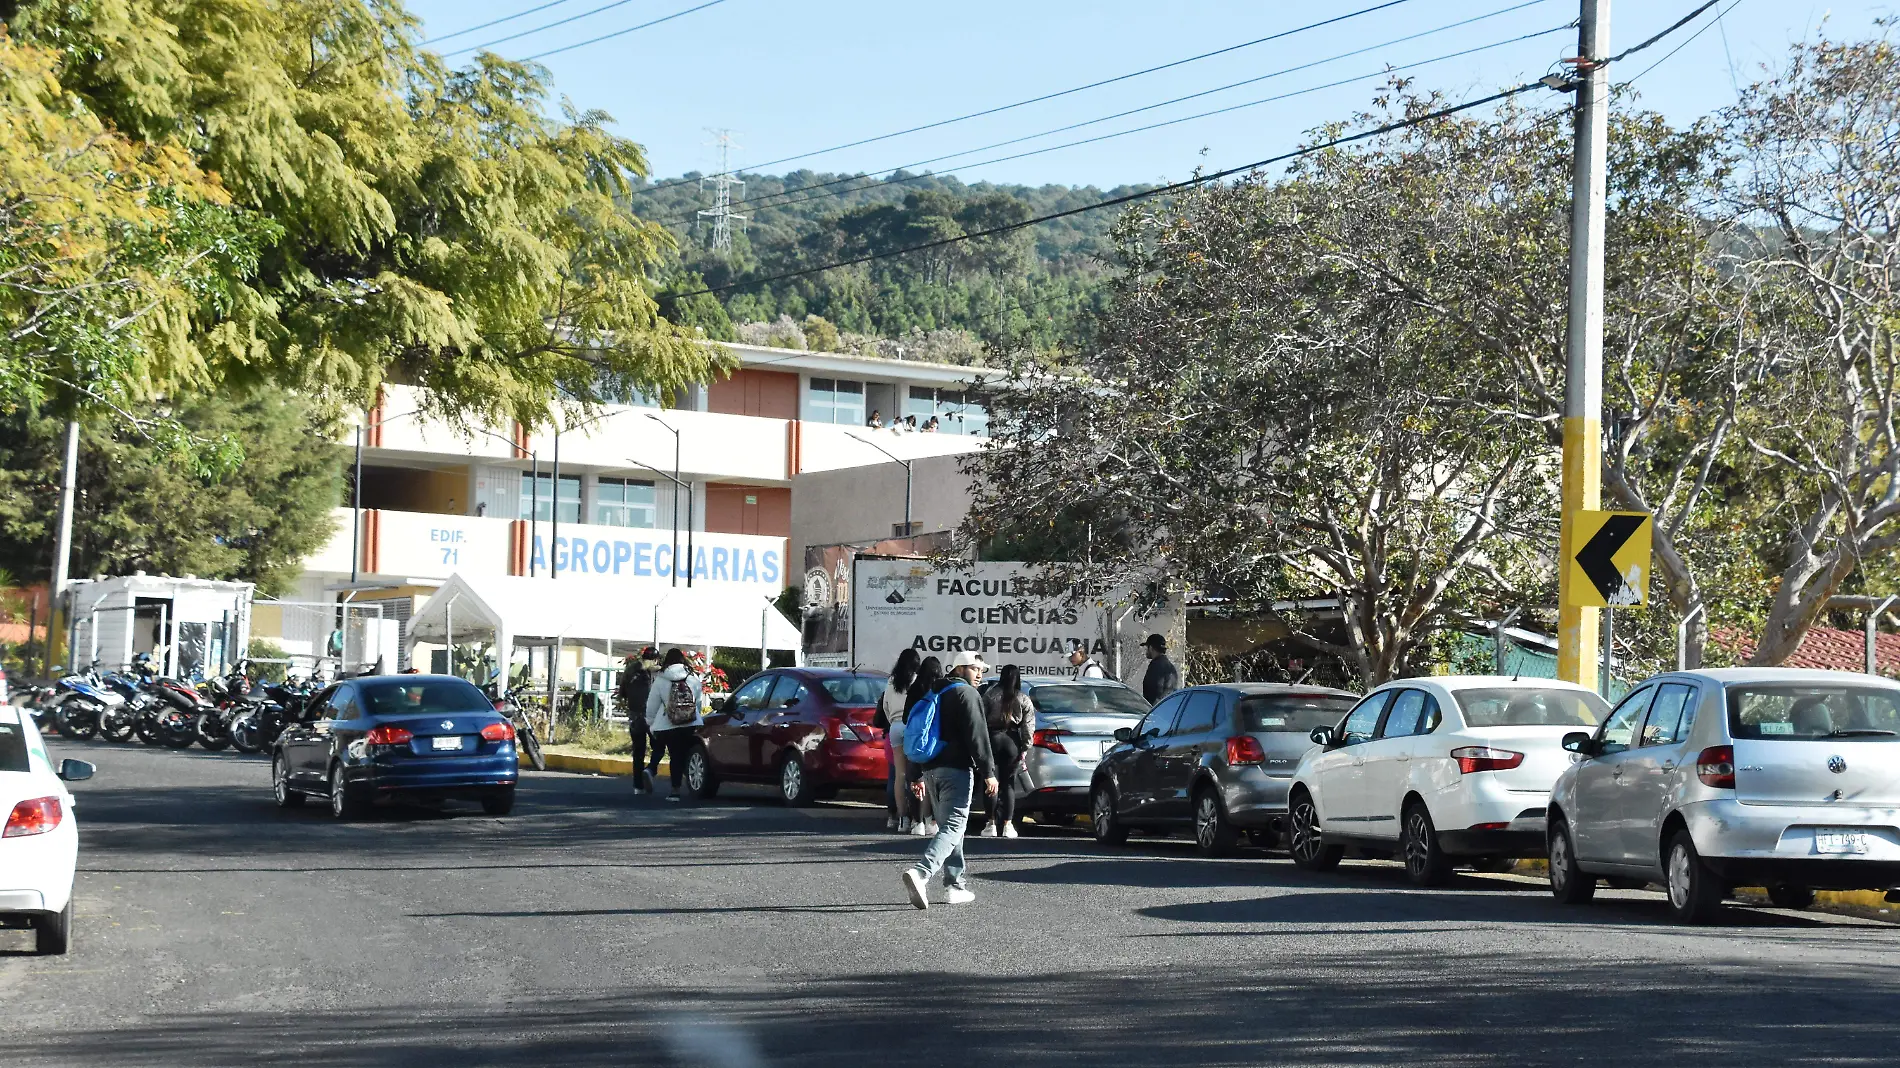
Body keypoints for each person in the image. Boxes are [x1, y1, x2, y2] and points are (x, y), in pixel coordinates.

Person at [900, 650, 996, 909]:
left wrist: (915, 774)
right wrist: (989, 771)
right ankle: (921, 873)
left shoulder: (934, 693)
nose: (979, 674)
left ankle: (955, 884)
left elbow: (919, 732)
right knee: (955, 825)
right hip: (956, 769)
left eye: (981, 670)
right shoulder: (967, 694)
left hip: (931, 769)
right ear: (959, 669)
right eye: (975, 668)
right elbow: (978, 736)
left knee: (951, 829)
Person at [643, 648, 705, 802]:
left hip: (668, 724)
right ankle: (693, 785)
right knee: (686, 754)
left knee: (675, 755)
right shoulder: (693, 677)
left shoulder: (661, 679)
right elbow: (698, 701)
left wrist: (651, 724)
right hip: (690, 722)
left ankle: (675, 791)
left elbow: (652, 704)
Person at [981, 664, 1034, 839]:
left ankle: (990, 824)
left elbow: (980, 719)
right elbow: (1028, 727)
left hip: (992, 738)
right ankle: (1008, 825)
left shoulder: (990, 695)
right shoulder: (1023, 698)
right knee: (1008, 784)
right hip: (1012, 739)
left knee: (990, 782)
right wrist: (1025, 747)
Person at [876, 648, 922, 832]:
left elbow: (885, 706)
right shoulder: (918, 680)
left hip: (895, 726)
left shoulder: (892, 681)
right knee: (917, 774)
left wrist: (893, 721)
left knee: (899, 775)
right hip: (912, 726)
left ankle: (902, 819)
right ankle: (919, 818)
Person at [901, 655, 944, 837]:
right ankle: (932, 821)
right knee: (935, 782)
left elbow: (905, 717)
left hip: (917, 741)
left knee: (915, 781)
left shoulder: (915, 689)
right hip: (936, 742)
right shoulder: (942, 690)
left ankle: (917, 822)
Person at [620, 647, 660, 793]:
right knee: (658, 746)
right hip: (652, 716)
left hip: (634, 715)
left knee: (638, 751)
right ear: (655, 659)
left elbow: (622, 692)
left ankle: (638, 786)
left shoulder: (630, 669)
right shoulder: (657, 671)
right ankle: (650, 770)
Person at [1141, 633, 1181, 704]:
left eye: (1147, 647)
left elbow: (1152, 693)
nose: (1146, 651)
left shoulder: (1155, 666)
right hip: (1168, 709)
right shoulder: (1171, 667)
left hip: (1155, 710)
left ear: (1151, 648)